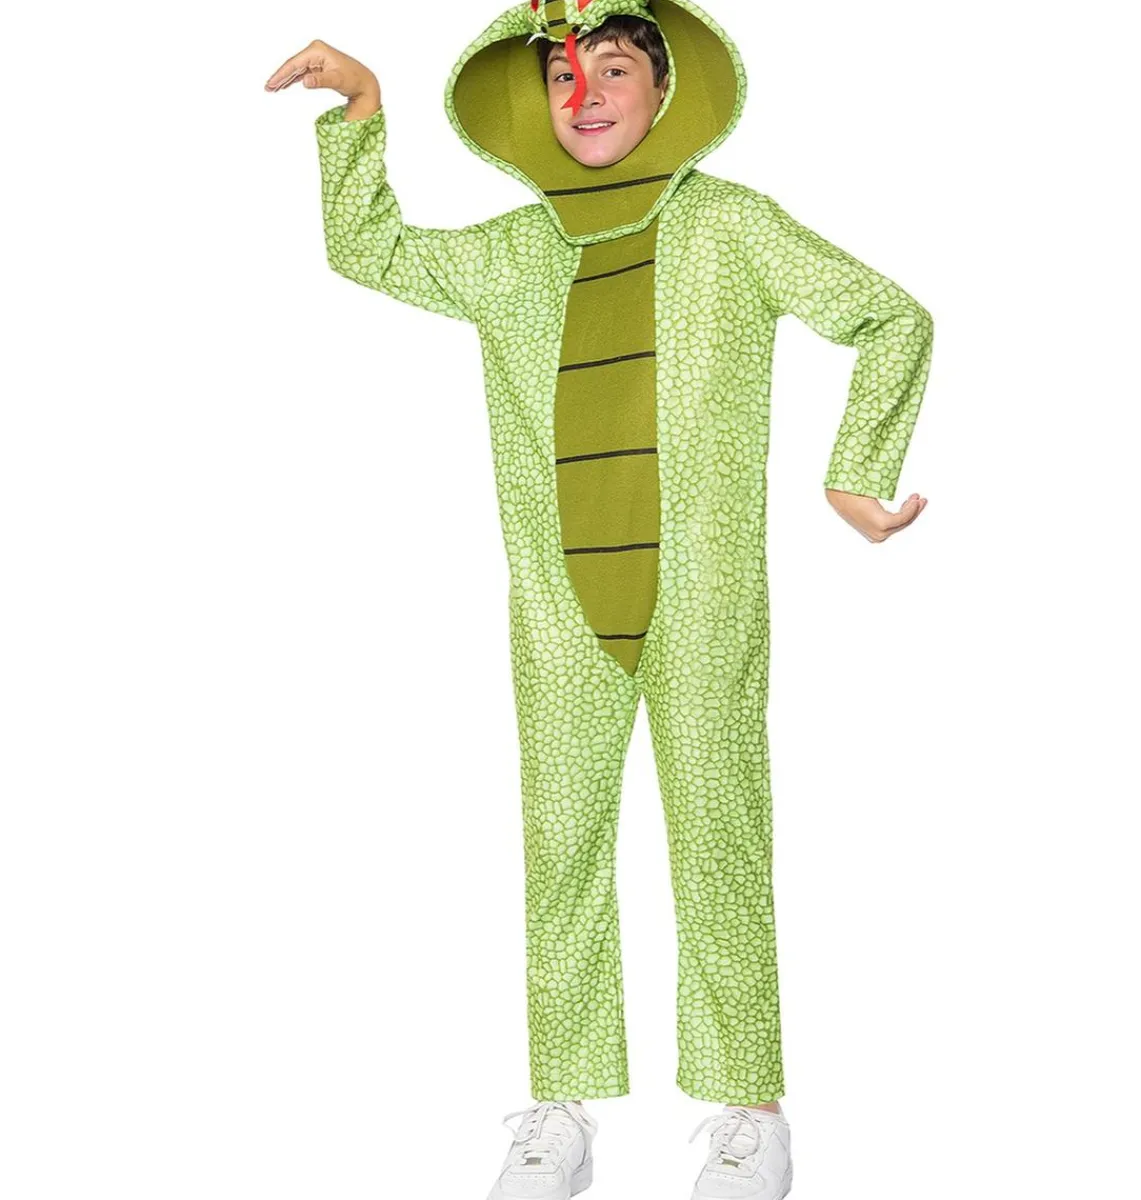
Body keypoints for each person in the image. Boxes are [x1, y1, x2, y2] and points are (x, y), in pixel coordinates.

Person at [265, 2, 933, 1197]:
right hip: (558, 608)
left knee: (720, 838)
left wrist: (856, 469)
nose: (583, 95)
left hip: (704, 602)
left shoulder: (730, 227)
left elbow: (890, 315)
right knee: (560, 844)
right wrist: (363, 110)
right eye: (562, 74)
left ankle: (749, 1114)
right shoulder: (510, 254)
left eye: (613, 68)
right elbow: (369, 250)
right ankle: (559, 1112)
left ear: (666, 89)